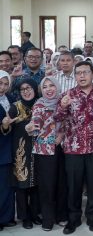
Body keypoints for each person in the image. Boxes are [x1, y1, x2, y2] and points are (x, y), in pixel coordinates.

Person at [53, 61, 93, 235]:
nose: (82, 76)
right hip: (73, 148)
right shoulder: (68, 95)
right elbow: (57, 118)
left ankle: (92, 217)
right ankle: (73, 218)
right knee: (73, 186)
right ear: (75, 76)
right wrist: (63, 106)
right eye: (78, 73)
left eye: (85, 72)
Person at [26, 76, 67, 231]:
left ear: (57, 87)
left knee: (62, 184)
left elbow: (68, 121)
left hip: (63, 148)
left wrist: (61, 134)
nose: (49, 89)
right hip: (44, 150)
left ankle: (61, 216)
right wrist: (31, 127)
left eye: (52, 85)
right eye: (45, 87)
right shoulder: (39, 104)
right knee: (47, 186)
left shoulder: (63, 102)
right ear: (41, 90)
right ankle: (48, 219)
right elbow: (35, 122)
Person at [1, 78, 40, 229]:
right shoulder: (15, 107)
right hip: (20, 151)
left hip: (38, 150)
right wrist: (5, 125)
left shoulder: (40, 105)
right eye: (23, 89)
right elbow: (6, 129)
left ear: (35, 89)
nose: (26, 91)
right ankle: (25, 217)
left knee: (36, 183)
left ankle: (35, 214)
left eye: (29, 88)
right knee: (22, 185)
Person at [0, 71, 17, 230]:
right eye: (0, 83)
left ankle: (7, 217)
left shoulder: (11, 99)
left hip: (11, 147)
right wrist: (4, 126)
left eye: (6, 84)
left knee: (8, 185)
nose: (3, 87)